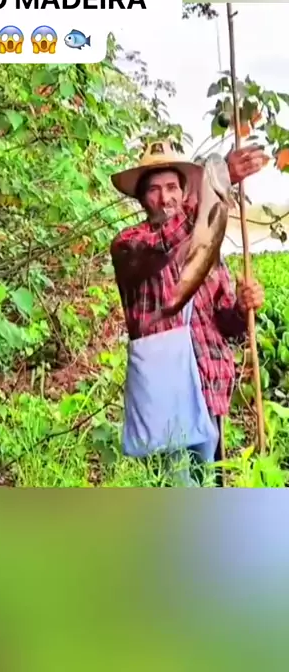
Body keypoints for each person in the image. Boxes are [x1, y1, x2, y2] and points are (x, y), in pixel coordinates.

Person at [110, 141, 266, 487]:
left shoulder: (207, 251)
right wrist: (220, 179)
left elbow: (226, 323)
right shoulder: (130, 244)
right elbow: (168, 242)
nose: (165, 198)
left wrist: (242, 308)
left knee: (209, 485)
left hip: (210, 384)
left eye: (171, 188)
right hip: (166, 390)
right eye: (154, 190)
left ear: (183, 193)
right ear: (142, 199)